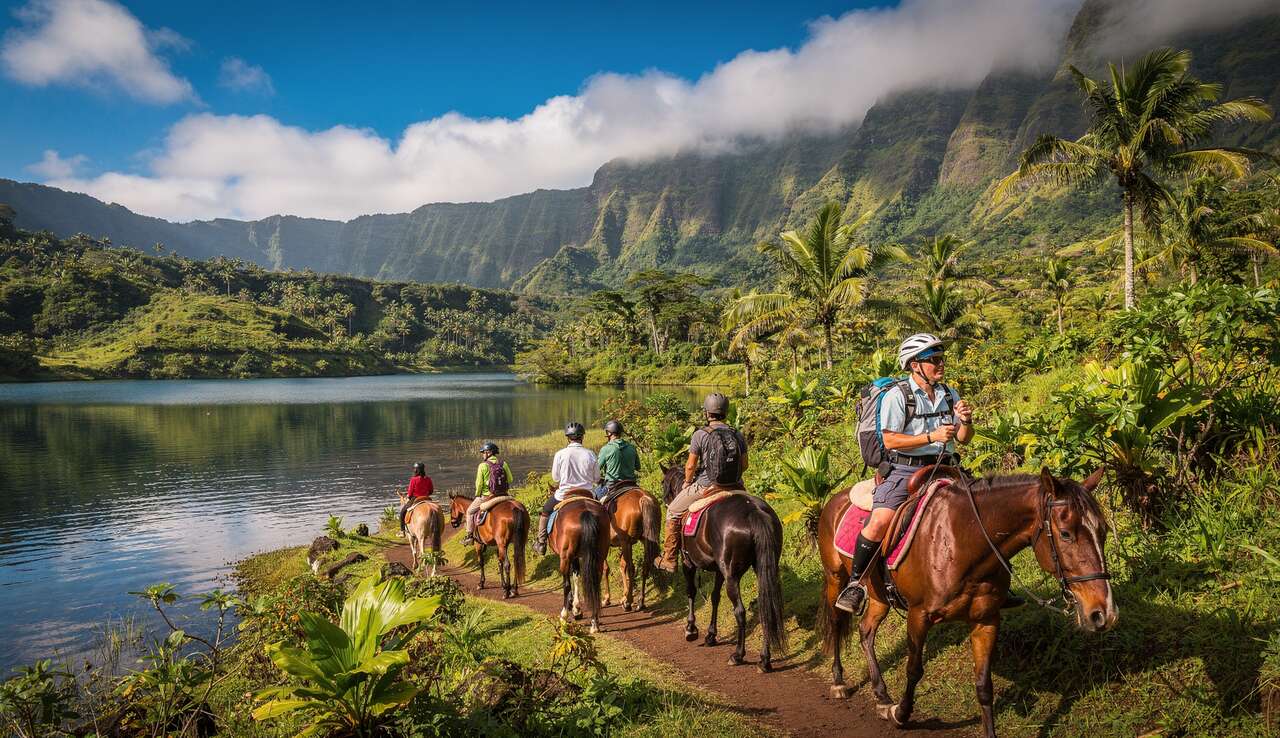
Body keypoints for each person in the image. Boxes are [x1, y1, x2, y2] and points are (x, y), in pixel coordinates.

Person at [833, 333, 975, 613]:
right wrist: (931, 436)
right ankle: (856, 584)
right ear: (914, 365)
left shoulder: (949, 394)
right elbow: (889, 440)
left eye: (941, 358)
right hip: (905, 469)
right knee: (879, 521)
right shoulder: (897, 396)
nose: (940, 364)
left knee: (981, 510)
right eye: (933, 360)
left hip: (947, 465)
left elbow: (964, 438)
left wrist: (966, 421)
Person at [653, 392, 748, 572]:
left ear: (707, 413)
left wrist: (687, 482)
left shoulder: (700, 434)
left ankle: (669, 558)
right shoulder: (737, 434)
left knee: (672, 511)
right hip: (736, 485)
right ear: (725, 412)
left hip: (706, 485)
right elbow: (744, 465)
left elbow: (690, 466)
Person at [537, 422, 598, 554]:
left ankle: (541, 542)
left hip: (564, 494)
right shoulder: (590, 454)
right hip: (588, 494)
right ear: (582, 437)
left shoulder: (560, 454)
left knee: (546, 511)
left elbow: (555, 478)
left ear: (568, 438)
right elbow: (596, 478)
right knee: (604, 510)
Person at [462, 441, 513, 545]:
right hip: (504, 495)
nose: (482, 455)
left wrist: (478, 494)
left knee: (470, 512)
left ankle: (469, 536)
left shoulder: (482, 466)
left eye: (483, 452)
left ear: (488, 452)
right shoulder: (504, 464)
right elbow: (510, 479)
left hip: (486, 496)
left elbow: (479, 484)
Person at [597, 420, 641, 495]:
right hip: (631, 484)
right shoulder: (632, 447)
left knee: (595, 495)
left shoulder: (606, 449)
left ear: (609, 433)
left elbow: (597, 468)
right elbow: (638, 467)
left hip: (612, 485)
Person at [399, 462, 435, 536]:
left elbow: (410, 493)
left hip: (415, 498)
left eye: (414, 469)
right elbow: (431, 490)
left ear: (416, 470)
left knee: (402, 512)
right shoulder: (428, 479)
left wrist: (408, 497)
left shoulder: (413, 479)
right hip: (427, 498)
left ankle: (402, 531)